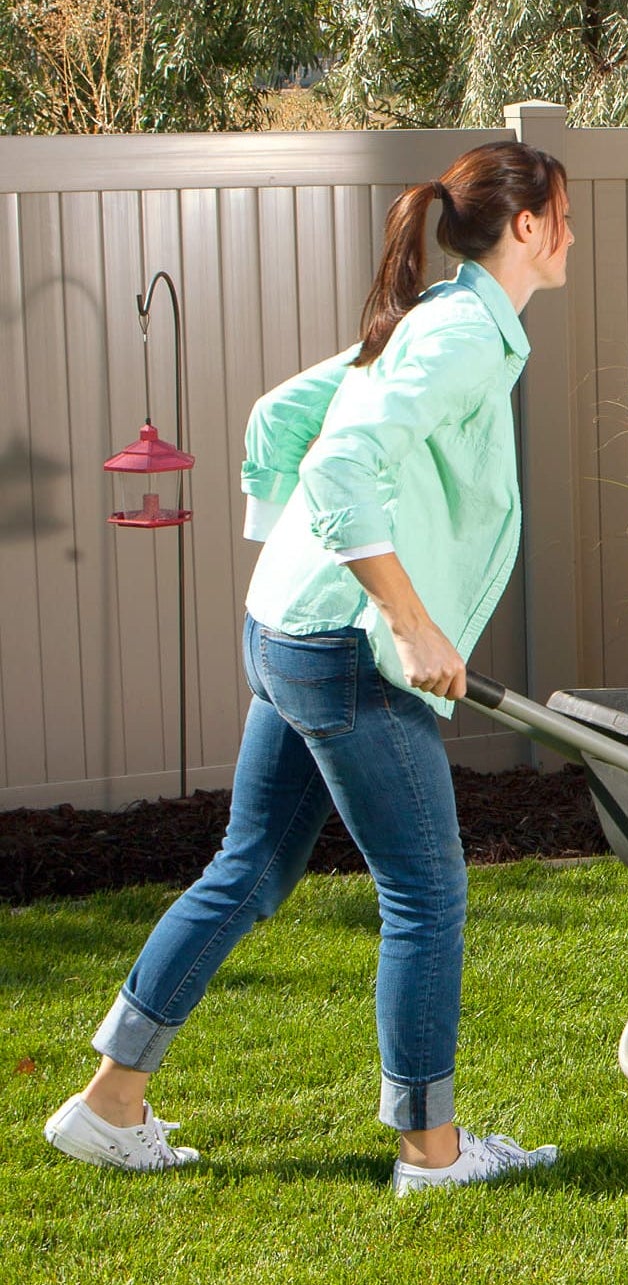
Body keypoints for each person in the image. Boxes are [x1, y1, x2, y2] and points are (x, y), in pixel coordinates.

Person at [44, 139, 576, 1196]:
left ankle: (108, 1102)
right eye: (563, 213)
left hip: (288, 626)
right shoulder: (462, 333)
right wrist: (407, 617)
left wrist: (290, 553)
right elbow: (332, 454)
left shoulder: (440, 321)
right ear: (524, 225)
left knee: (250, 866)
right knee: (426, 887)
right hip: (342, 650)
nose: (571, 232)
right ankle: (431, 1150)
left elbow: (282, 413)